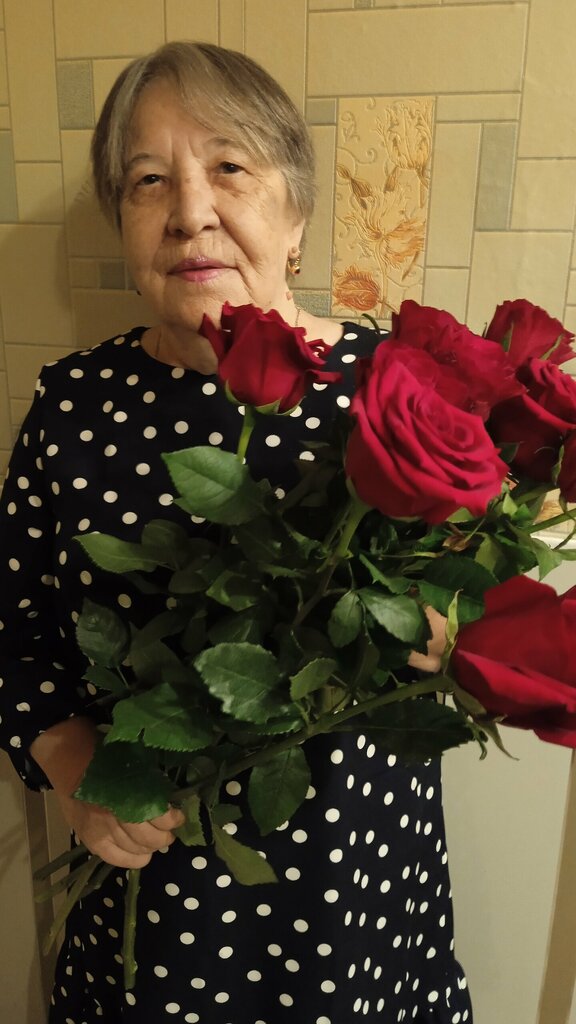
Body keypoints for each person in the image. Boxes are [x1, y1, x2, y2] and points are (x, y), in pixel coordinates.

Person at [0, 41, 473, 1024]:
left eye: (229, 166)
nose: (189, 211)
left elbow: (476, 605)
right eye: (148, 180)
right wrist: (78, 775)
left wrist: (447, 634)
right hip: (158, 910)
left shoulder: (395, 391)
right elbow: (17, 633)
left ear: (295, 214)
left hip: (359, 895)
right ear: (122, 221)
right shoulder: (73, 406)